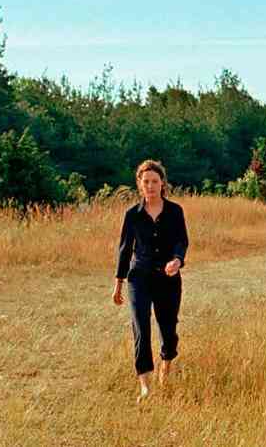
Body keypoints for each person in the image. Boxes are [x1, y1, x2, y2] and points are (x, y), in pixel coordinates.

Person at [111, 160, 189, 402]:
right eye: (146, 182)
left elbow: (182, 241)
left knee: (168, 329)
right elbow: (125, 250)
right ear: (139, 184)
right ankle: (145, 384)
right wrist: (118, 284)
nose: (151, 186)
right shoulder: (132, 215)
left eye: (155, 181)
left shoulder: (175, 211)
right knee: (141, 328)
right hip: (139, 278)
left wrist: (177, 260)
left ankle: (166, 366)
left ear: (162, 183)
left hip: (168, 278)